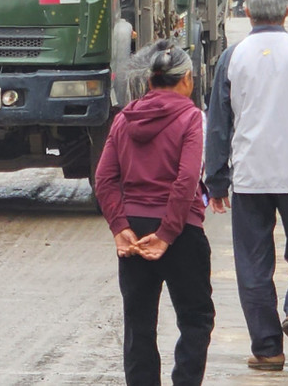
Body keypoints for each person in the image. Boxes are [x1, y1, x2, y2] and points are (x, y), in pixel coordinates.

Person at [204, 0, 288, 371]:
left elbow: (219, 124)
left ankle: (268, 349)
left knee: (253, 263)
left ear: (247, 11)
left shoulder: (232, 57)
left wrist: (216, 181)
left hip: (249, 177)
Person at [95, 40, 215, 386]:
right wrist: (166, 233)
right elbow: (188, 178)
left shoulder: (124, 118)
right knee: (195, 318)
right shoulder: (191, 117)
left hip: (134, 232)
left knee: (139, 323)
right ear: (187, 80)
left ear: (150, 82)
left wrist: (120, 226)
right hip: (181, 234)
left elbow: (105, 178)